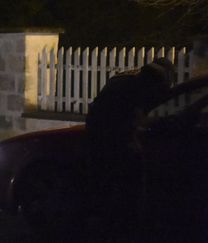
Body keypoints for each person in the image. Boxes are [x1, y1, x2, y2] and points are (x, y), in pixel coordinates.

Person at [85, 57, 208, 238]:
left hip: (97, 137)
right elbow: (140, 120)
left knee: (108, 190)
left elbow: (166, 96)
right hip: (115, 142)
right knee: (127, 190)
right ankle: (126, 228)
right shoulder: (135, 90)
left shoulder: (129, 80)